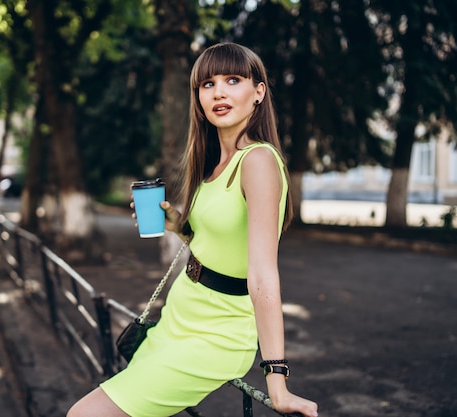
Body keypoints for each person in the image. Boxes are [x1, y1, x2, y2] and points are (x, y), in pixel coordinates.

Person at [67, 42, 318, 417]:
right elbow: (221, 243)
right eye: (207, 84)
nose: (218, 91)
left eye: (233, 80)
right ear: (198, 97)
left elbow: (263, 274)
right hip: (181, 311)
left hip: (218, 332)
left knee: (84, 414)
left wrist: (276, 380)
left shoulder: (258, 161)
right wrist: (177, 227)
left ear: (258, 93)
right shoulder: (214, 166)